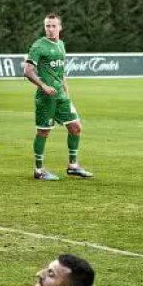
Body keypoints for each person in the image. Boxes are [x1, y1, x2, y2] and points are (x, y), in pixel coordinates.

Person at [24, 14, 93, 181]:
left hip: (61, 97)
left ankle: (73, 166)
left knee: (76, 127)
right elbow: (27, 71)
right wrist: (44, 86)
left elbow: (61, 73)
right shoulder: (39, 46)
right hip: (45, 97)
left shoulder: (61, 45)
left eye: (53, 26)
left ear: (60, 28)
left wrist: (66, 92)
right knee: (43, 132)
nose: (50, 29)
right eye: (47, 26)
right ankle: (39, 170)